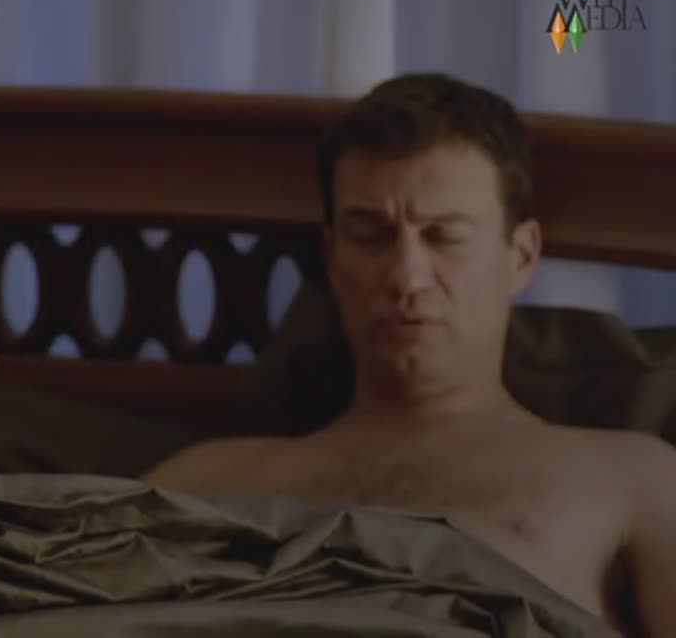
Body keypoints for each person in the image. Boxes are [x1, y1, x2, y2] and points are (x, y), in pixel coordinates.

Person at [142, 73, 675, 636]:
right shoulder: (200, 481)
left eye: (445, 236)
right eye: (370, 235)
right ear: (333, 259)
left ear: (520, 256)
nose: (406, 276)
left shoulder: (631, 480)